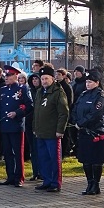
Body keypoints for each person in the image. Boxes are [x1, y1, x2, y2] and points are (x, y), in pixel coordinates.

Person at [32, 64, 69, 192]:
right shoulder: (39, 92)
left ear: (52, 78)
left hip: (53, 132)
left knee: (54, 159)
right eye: (42, 79)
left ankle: (55, 183)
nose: (44, 81)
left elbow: (63, 113)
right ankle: (46, 180)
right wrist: (35, 127)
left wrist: (60, 130)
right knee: (43, 158)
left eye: (46, 78)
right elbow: (36, 112)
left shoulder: (58, 92)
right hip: (41, 131)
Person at [0, 64, 32, 187]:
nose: (6, 77)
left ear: (15, 76)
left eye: (9, 75)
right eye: (6, 75)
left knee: (18, 153)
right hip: (5, 126)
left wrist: (17, 113)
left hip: (16, 126)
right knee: (7, 153)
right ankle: (10, 176)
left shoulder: (22, 89)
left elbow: (29, 106)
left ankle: (19, 177)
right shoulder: (3, 90)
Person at [72, 68, 104, 195]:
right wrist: (75, 121)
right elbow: (75, 108)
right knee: (85, 160)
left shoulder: (100, 96)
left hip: (95, 131)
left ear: (97, 83)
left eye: (90, 82)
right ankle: (89, 183)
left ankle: (95, 185)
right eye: (87, 82)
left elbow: (96, 114)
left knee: (95, 160)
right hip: (83, 132)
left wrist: (81, 122)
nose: (88, 84)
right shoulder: (83, 95)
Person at [25, 72, 42, 181]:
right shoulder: (29, 92)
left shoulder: (42, 92)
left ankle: (42, 172)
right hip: (29, 122)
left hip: (40, 123)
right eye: (33, 79)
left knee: (40, 148)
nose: (34, 81)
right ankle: (35, 171)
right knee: (33, 149)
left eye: (36, 79)